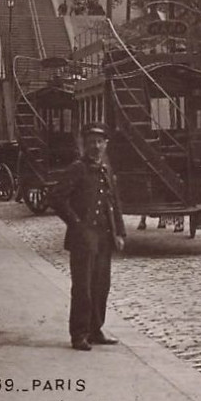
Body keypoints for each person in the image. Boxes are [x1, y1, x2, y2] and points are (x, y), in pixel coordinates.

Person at [50, 124, 126, 351]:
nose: (95, 146)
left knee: (101, 286)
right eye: (91, 141)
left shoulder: (105, 170)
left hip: (103, 238)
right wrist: (76, 224)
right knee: (82, 287)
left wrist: (120, 232)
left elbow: (114, 203)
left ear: (105, 145)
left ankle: (96, 330)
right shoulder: (77, 169)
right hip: (83, 239)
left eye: (99, 142)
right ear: (84, 144)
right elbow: (56, 198)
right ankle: (79, 334)